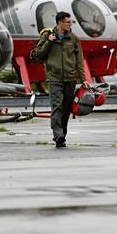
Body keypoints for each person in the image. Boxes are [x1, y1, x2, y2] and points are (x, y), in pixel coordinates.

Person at [30, 11, 86, 148]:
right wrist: (49, 42)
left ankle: (62, 135)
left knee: (66, 108)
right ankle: (58, 135)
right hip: (54, 78)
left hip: (70, 79)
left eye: (70, 22)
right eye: (68, 22)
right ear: (60, 23)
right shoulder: (47, 35)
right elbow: (37, 56)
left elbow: (79, 61)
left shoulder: (73, 38)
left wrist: (83, 79)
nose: (70, 24)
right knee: (57, 106)